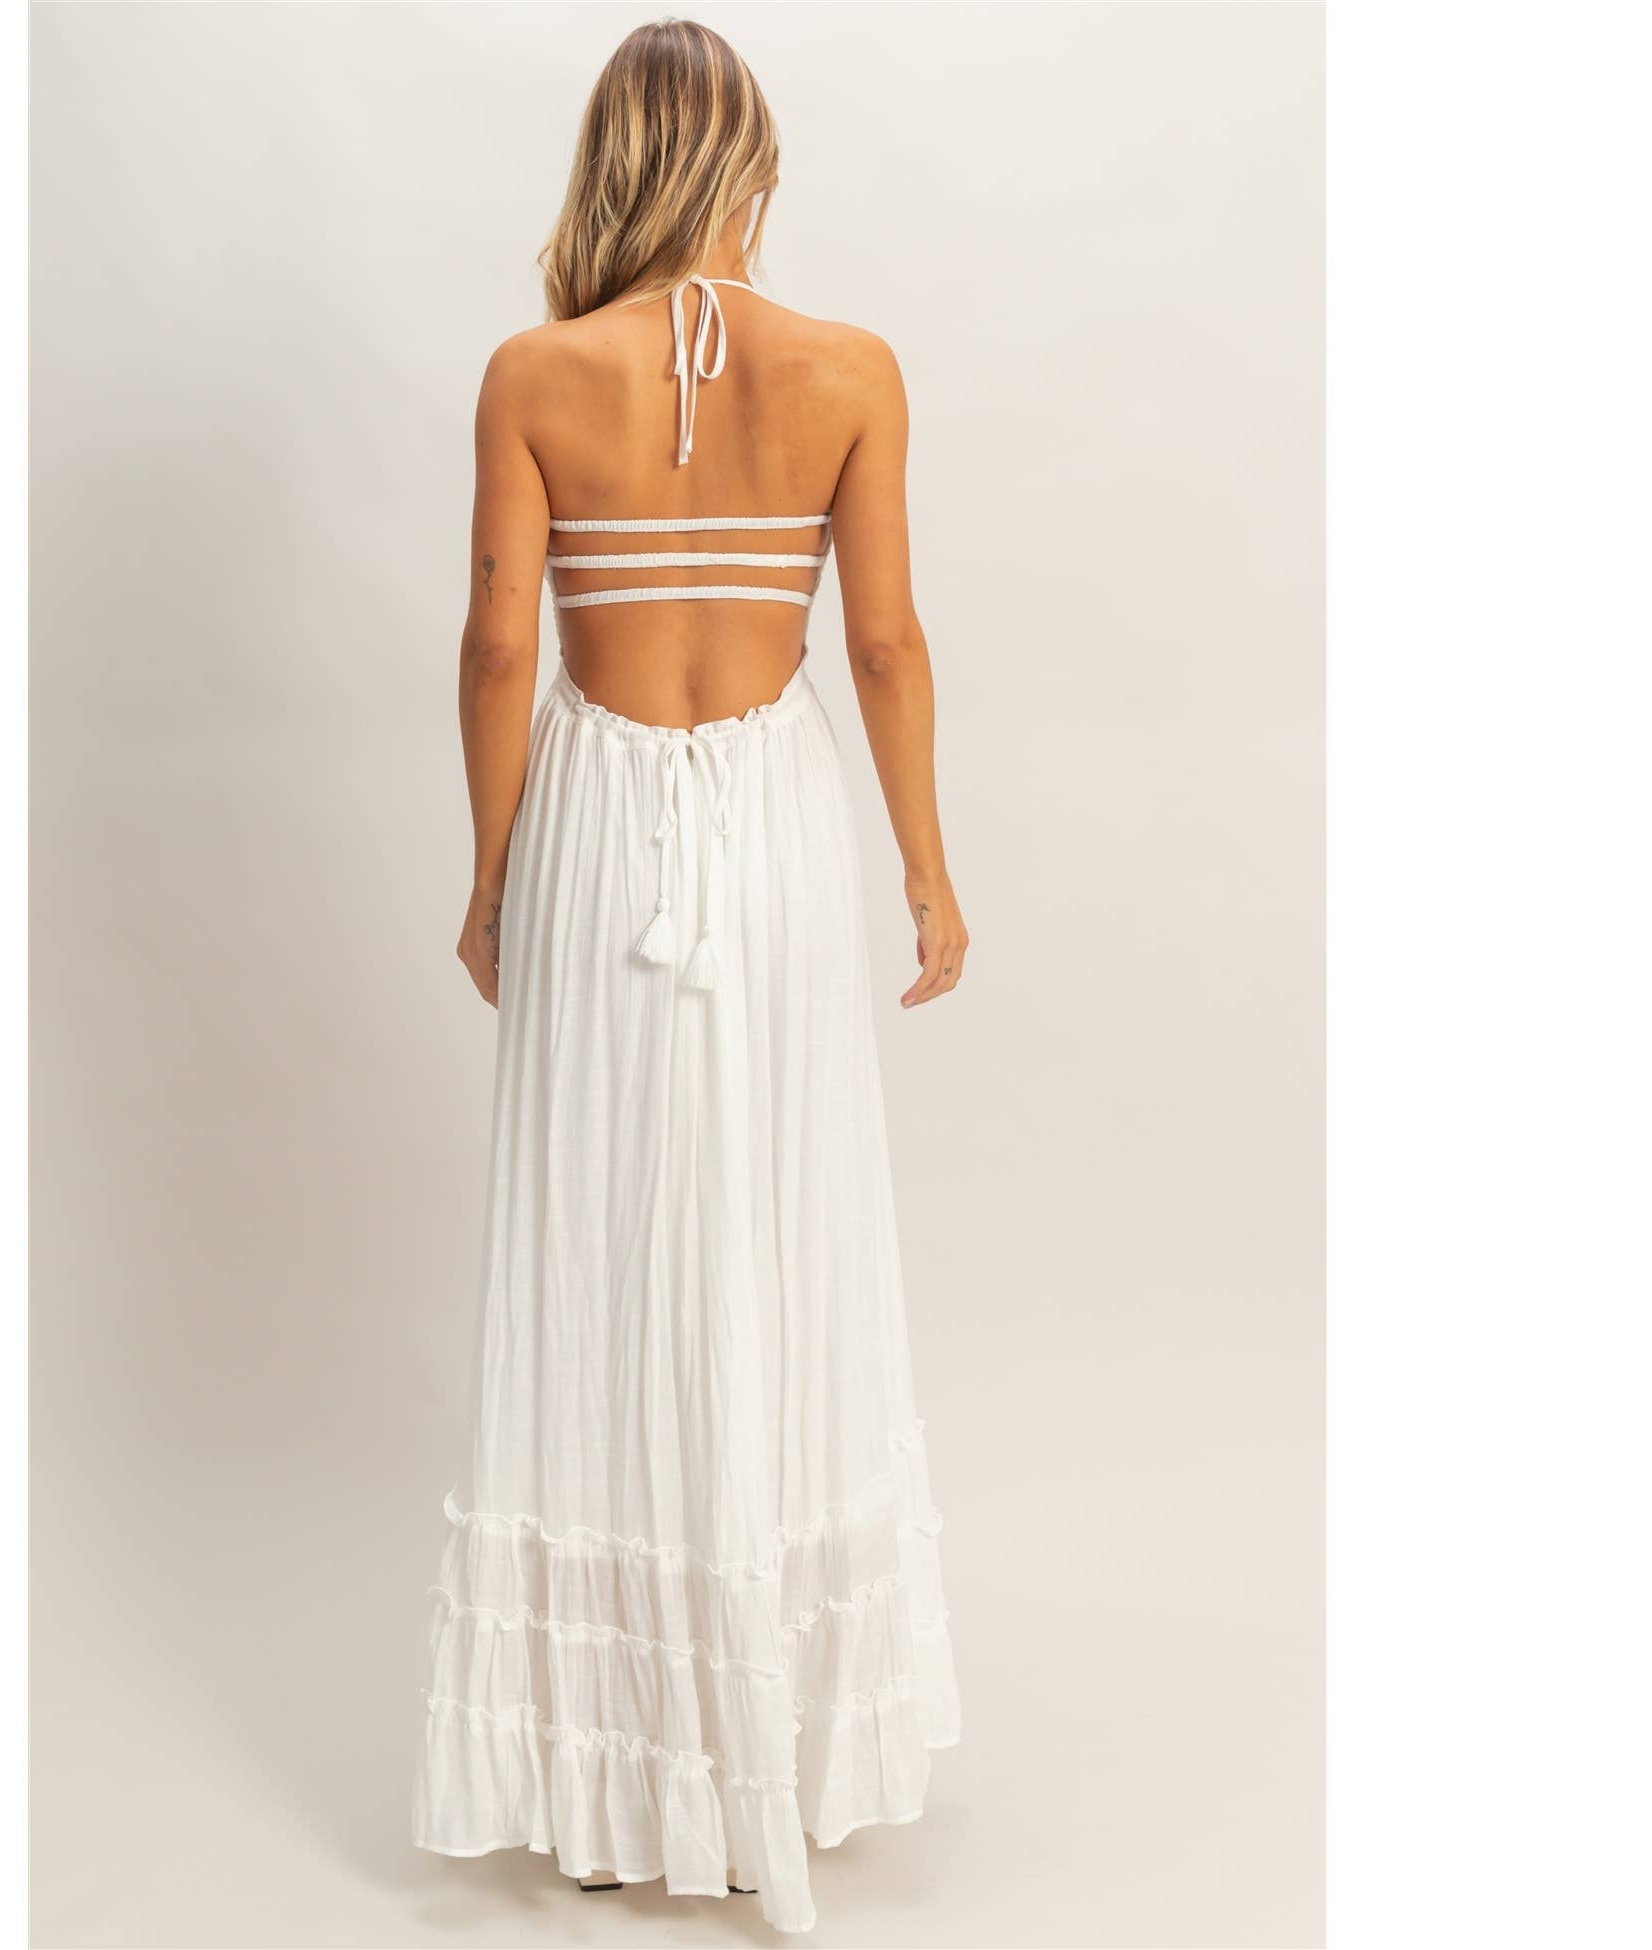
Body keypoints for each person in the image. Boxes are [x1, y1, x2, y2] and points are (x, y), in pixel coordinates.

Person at [411, 20, 965, 1934]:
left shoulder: (533, 372)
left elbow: (500, 643)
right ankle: (769, 1744)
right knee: (776, 1228)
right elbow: (880, 644)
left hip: (596, 824)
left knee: (601, 1245)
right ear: (752, 168)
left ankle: (612, 1768)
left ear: (608, 164)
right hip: (775, 827)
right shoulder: (850, 368)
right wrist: (925, 868)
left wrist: (492, 870)